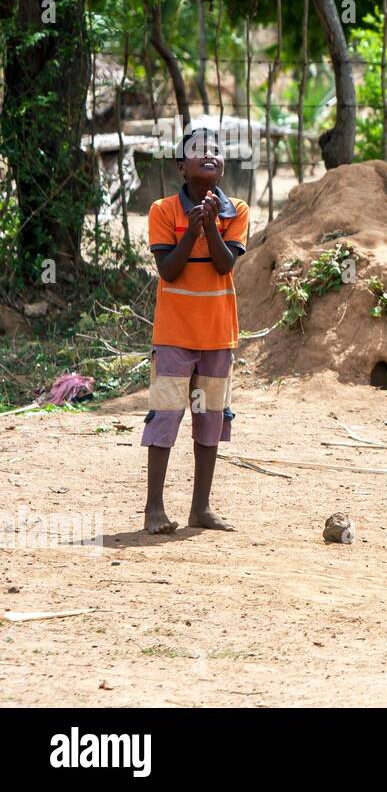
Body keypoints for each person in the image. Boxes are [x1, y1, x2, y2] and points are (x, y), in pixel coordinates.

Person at [141, 127, 249, 534]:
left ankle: (199, 508)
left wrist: (207, 227)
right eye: (198, 150)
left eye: (217, 150)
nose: (210, 154)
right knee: (165, 416)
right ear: (182, 166)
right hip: (173, 336)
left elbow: (224, 266)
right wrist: (191, 230)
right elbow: (168, 269)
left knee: (208, 419)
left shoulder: (235, 209)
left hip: (217, 337)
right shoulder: (163, 210)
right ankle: (154, 509)